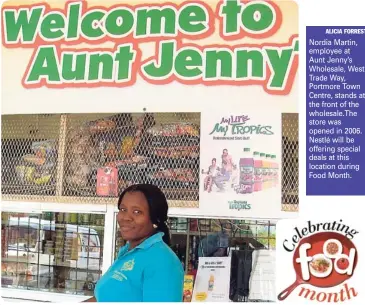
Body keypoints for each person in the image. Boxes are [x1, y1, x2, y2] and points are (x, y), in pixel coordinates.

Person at [83, 184, 184, 302]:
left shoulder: (163, 261)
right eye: (123, 209)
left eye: (137, 212)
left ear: (155, 219)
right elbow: (102, 298)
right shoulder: (129, 252)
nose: (126, 217)